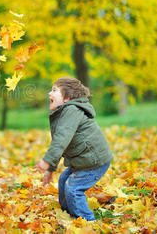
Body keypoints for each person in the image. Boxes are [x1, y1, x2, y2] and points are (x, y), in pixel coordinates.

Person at [35, 77, 113, 221]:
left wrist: (47, 161)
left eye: (54, 90)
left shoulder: (71, 110)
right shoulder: (65, 113)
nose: (49, 93)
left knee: (73, 188)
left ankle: (87, 221)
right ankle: (70, 213)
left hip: (94, 161)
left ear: (67, 98)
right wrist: (51, 169)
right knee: (64, 179)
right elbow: (60, 144)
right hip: (84, 160)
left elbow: (61, 140)